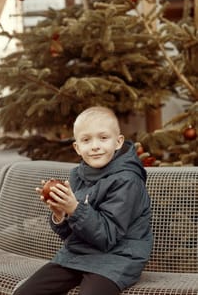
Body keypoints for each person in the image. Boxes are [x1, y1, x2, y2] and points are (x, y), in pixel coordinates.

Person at [14, 106, 153, 295]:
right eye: (86, 140)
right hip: (77, 254)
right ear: (77, 147)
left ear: (118, 142)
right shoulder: (76, 176)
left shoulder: (127, 180)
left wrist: (74, 209)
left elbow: (107, 237)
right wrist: (60, 214)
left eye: (103, 138)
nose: (95, 146)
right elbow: (69, 234)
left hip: (117, 258)